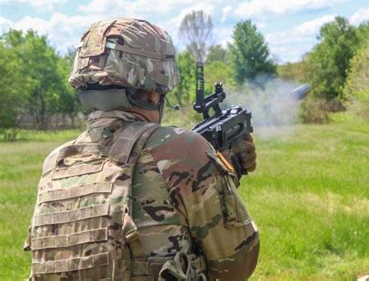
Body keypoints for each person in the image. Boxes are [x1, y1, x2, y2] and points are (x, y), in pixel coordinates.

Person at [24, 18, 259, 280]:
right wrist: (224, 175)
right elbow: (236, 264)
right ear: (153, 92)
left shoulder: (56, 163)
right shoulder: (182, 150)